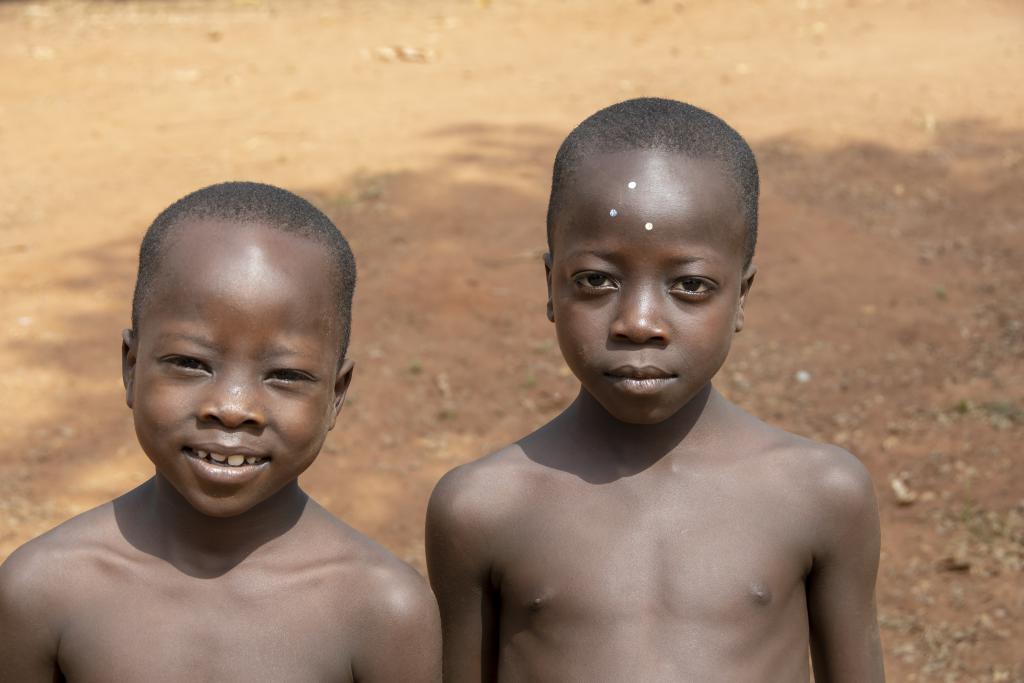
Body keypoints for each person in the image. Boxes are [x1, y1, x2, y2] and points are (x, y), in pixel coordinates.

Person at [426, 98, 884, 682]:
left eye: (690, 285)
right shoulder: (483, 509)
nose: (639, 322)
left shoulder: (820, 494)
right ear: (550, 286)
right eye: (595, 280)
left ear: (741, 296)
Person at [0, 182, 441, 682]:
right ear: (130, 367)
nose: (232, 409)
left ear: (336, 394)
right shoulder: (43, 591)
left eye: (286, 375)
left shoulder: (382, 611)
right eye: (189, 363)